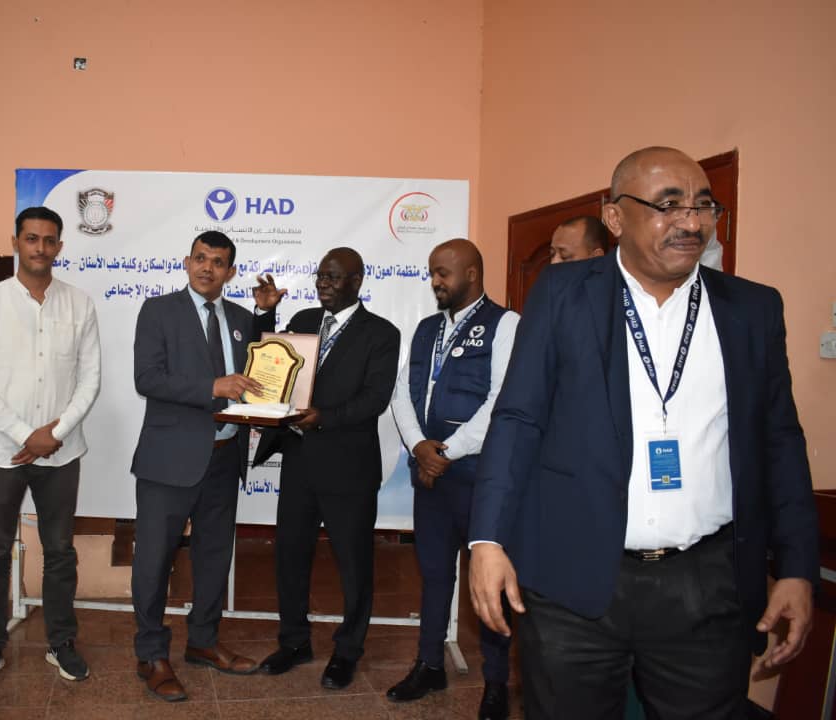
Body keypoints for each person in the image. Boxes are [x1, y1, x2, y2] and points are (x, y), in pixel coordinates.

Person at [467, 146, 818, 719]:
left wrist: (798, 566)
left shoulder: (753, 310)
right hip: (571, 579)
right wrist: (487, 539)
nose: (691, 221)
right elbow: (518, 418)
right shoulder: (561, 293)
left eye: (703, 205)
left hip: (707, 586)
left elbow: (781, 441)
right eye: (668, 204)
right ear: (614, 217)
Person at [130, 230, 283, 702]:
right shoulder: (158, 311)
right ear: (186, 261)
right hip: (169, 459)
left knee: (214, 558)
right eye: (200, 258)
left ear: (230, 272)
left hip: (223, 458)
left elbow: (262, 370)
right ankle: (151, 654)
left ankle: (202, 641)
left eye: (218, 262)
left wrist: (265, 315)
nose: (207, 268)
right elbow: (147, 378)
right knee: (154, 560)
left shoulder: (239, 317)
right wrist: (211, 387)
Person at [0, 206, 101, 690]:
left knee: (60, 551)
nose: (40, 247)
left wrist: (53, 434)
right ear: (16, 242)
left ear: (60, 246)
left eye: (48, 240)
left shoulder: (79, 304)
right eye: (31, 238)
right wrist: (27, 435)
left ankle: (61, 642)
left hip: (62, 452)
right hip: (4, 452)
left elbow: (90, 379)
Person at [255, 247, 401, 690]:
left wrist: (324, 418)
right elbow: (271, 365)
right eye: (321, 276)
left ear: (357, 281)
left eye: (334, 277)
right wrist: (265, 316)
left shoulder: (382, 333)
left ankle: (348, 650)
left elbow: (375, 399)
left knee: (354, 565)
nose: (324, 284)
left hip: (348, 468)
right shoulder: (303, 320)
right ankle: (294, 641)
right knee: (290, 556)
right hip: (299, 463)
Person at [387, 239, 518, 718]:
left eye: (443, 273)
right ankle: (429, 664)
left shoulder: (506, 324)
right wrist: (419, 447)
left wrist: (448, 451)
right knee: (434, 573)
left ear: (473, 274)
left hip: (478, 476)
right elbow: (402, 393)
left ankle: (496, 683)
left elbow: (502, 399)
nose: (435, 281)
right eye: (432, 273)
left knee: (488, 582)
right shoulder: (427, 328)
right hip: (430, 474)